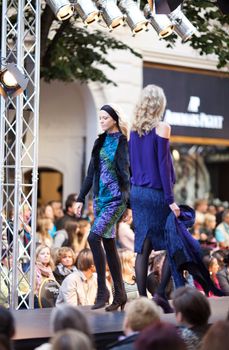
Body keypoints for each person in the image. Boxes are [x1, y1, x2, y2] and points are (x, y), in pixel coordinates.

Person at [128, 84, 179, 307]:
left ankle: (142, 300)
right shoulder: (162, 127)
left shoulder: (133, 129)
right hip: (157, 194)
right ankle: (159, 294)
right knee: (173, 244)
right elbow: (164, 167)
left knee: (143, 247)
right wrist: (171, 200)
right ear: (160, 104)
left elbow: (131, 165)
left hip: (137, 192)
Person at [76, 104, 130, 311]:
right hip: (99, 200)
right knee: (108, 244)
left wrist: (130, 205)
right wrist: (81, 197)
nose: (101, 121)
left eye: (105, 117)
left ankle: (102, 291)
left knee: (93, 237)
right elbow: (90, 174)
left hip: (116, 199)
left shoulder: (124, 142)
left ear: (114, 119)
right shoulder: (100, 142)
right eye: (99, 118)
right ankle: (120, 295)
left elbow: (127, 174)